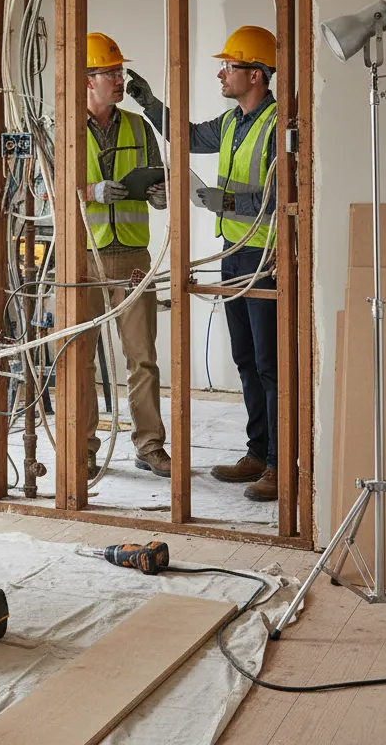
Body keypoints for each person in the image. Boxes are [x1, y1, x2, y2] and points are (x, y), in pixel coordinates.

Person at [125, 25, 279, 502]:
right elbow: (187, 135)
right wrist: (151, 104)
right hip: (234, 254)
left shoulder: (280, 125)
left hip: (266, 255)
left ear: (254, 74)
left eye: (228, 66)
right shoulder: (233, 121)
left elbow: (279, 198)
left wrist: (224, 199)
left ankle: (278, 464)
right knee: (246, 358)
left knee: (271, 363)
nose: (221, 72)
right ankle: (257, 452)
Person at [83, 31, 170, 480]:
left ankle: (149, 445)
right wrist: (92, 191)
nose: (120, 79)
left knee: (143, 357)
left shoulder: (138, 126)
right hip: (84, 257)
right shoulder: (62, 130)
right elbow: (39, 190)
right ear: (86, 79)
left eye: (119, 72)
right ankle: (83, 450)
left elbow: (159, 181)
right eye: (110, 72)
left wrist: (158, 195)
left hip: (134, 255)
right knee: (78, 360)